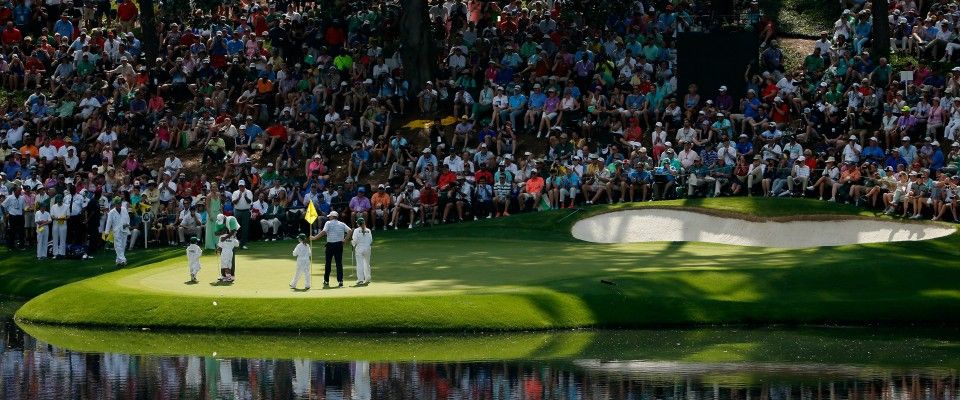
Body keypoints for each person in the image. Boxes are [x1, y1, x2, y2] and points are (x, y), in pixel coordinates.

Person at [310, 210, 352, 287]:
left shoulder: (328, 223)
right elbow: (350, 231)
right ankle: (340, 281)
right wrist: (345, 240)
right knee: (339, 263)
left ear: (333, 217)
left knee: (328, 263)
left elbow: (324, 232)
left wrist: (314, 238)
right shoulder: (342, 224)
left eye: (330, 216)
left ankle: (326, 280)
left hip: (330, 245)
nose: (329, 218)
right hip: (339, 245)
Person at [103, 197, 130, 267]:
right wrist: (106, 232)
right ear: (115, 204)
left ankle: (118, 260)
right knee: (118, 246)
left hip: (124, 230)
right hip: (116, 231)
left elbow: (128, 218)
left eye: (120, 203)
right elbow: (108, 223)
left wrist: (127, 224)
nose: (119, 204)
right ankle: (123, 260)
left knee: (123, 246)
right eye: (118, 203)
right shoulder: (111, 212)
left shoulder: (124, 209)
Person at [351, 216, 373, 286]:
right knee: (367, 263)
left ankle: (360, 279)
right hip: (367, 248)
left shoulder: (356, 230)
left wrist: (352, 243)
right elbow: (371, 240)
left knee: (360, 264)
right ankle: (368, 278)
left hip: (359, 249)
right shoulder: (368, 230)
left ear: (358, 224)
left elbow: (355, 240)